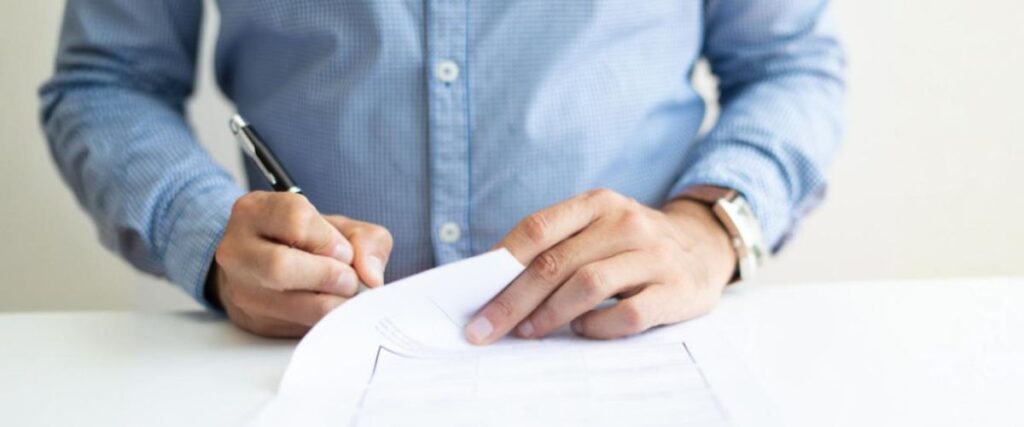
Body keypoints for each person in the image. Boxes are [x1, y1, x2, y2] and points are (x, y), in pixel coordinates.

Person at [40, 1, 844, 342]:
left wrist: (712, 227)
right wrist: (207, 232)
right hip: (301, 360)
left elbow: (789, 63)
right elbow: (109, 80)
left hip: (629, 347)